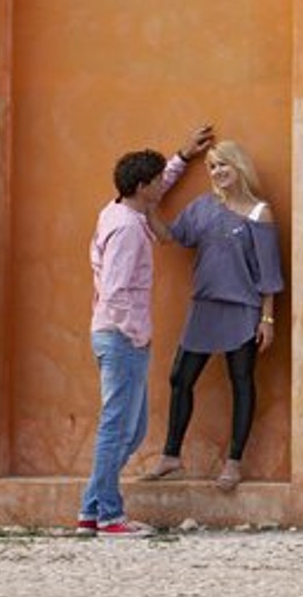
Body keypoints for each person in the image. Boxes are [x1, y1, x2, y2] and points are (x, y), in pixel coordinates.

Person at [78, 125, 215, 537]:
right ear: (142, 187)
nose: (162, 184)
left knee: (128, 428)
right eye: (156, 181)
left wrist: (182, 157)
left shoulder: (120, 209)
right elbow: (117, 293)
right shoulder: (128, 231)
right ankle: (110, 517)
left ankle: (91, 510)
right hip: (121, 336)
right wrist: (134, 333)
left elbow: (156, 186)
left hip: (115, 335)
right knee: (119, 426)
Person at [145, 139, 284, 491]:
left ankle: (233, 463)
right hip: (205, 307)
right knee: (180, 378)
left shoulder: (258, 213)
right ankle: (170, 456)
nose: (218, 172)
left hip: (243, 309)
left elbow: (268, 273)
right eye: (212, 167)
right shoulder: (202, 208)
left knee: (241, 382)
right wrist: (147, 206)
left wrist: (267, 319)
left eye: (224, 165)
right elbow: (168, 237)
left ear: (239, 167)